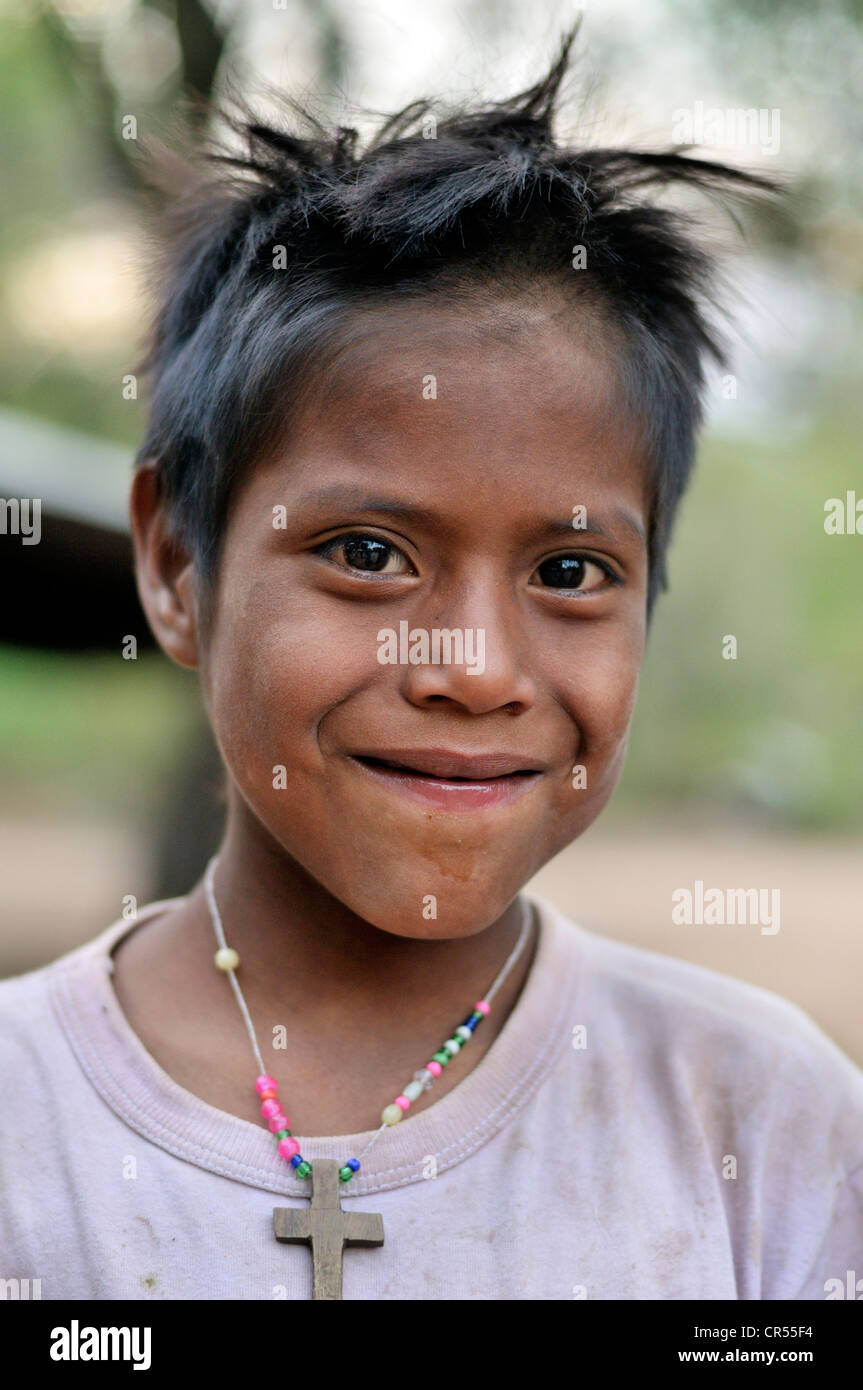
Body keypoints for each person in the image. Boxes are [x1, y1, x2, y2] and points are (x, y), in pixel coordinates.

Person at [2, 31, 861, 1301]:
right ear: (179, 566)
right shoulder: (28, 1130)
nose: (470, 668)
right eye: (366, 552)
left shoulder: (762, 1122)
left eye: (568, 573)